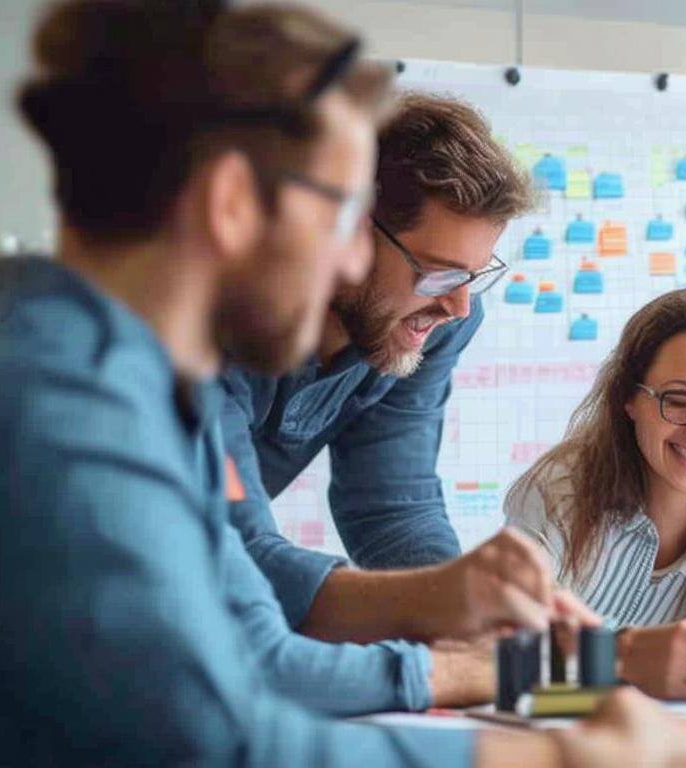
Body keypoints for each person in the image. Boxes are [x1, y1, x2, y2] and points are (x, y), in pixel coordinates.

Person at [0, 2, 686, 765]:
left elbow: (262, 649)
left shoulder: (143, 383)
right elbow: (221, 735)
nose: (344, 263)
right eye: (339, 215)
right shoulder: (64, 411)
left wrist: (532, 657)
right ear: (232, 204)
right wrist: (557, 752)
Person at [219, 93, 538, 653]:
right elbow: (230, 551)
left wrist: (469, 625)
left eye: (474, 275)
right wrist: (437, 604)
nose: (458, 307)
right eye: (438, 274)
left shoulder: (429, 324)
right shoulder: (210, 323)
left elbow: (393, 509)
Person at [505, 288, 686, 700]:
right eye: (678, 400)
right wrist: (624, 661)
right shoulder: (556, 494)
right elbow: (507, 672)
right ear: (629, 399)